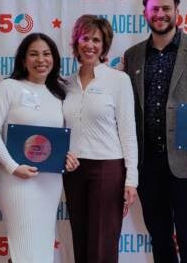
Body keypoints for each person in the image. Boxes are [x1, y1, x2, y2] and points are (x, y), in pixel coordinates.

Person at [124, 0, 187, 262]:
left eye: (166, 8)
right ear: (145, 13)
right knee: (159, 236)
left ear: (177, 11)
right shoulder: (133, 56)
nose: (160, 14)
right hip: (147, 164)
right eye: (154, 8)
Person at [0, 32, 79, 263]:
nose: (40, 59)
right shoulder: (9, 87)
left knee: (44, 246)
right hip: (17, 181)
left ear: (54, 59)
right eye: (33, 54)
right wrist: (13, 167)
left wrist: (70, 157)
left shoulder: (59, 94)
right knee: (23, 248)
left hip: (50, 182)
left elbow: (65, 137)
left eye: (46, 54)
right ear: (23, 60)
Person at [62, 14, 138, 263]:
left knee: (102, 244)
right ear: (76, 42)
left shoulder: (118, 80)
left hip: (108, 169)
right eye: (85, 38)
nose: (90, 45)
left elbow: (128, 131)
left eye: (97, 39)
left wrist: (131, 179)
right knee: (81, 240)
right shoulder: (66, 84)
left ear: (104, 46)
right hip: (73, 170)